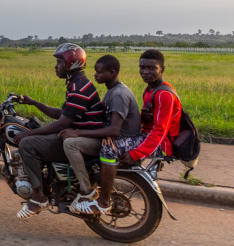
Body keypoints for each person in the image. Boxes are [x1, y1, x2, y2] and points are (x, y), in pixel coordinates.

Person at [75, 49, 182, 215]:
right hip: (147, 136)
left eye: (152, 68)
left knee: (110, 148)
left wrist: (135, 154)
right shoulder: (150, 90)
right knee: (108, 142)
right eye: (142, 67)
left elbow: (160, 131)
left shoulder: (163, 94)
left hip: (162, 144)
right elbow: (150, 121)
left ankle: (103, 202)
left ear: (162, 69)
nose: (146, 72)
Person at [13, 43, 104, 219]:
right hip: (78, 134)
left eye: (60, 62)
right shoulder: (76, 84)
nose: (56, 66)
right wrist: (35, 103)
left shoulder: (79, 88)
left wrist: (27, 134)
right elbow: (62, 114)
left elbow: (62, 123)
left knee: (27, 145)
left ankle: (39, 197)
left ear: (71, 63)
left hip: (84, 140)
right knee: (39, 133)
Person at [62, 55, 142, 215]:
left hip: (119, 141)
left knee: (70, 143)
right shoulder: (113, 90)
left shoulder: (118, 94)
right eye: (95, 72)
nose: (95, 75)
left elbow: (114, 130)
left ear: (112, 73)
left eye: (99, 72)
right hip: (112, 139)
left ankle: (86, 191)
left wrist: (77, 132)